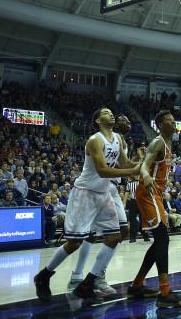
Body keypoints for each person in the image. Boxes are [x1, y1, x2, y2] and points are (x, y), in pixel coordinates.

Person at [34, 108, 141, 302]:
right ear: (98, 120)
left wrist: (140, 165)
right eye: (107, 113)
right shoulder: (94, 140)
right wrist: (136, 170)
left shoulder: (118, 138)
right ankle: (44, 275)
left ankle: (88, 283)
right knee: (74, 243)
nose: (111, 114)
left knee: (115, 236)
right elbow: (103, 171)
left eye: (111, 112)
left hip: (103, 194)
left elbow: (124, 164)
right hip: (85, 193)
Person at [67, 114, 144, 293]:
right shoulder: (106, 140)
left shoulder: (121, 140)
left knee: (121, 230)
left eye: (129, 120)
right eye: (124, 120)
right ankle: (80, 276)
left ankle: (96, 274)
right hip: (102, 187)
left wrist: (141, 161)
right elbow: (112, 169)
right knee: (91, 234)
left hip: (112, 187)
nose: (129, 122)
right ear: (115, 122)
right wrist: (137, 167)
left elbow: (127, 166)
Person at [129, 110, 181, 308]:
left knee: (160, 241)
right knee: (162, 238)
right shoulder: (157, 142)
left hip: (156, 194)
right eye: (170, 121)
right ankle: (164, 292)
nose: (174, 123)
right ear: (160, 124)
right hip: (147, 192)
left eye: (174, 121)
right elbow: (145, 165)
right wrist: (145, 175)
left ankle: (136, 286)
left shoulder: (168, 144)